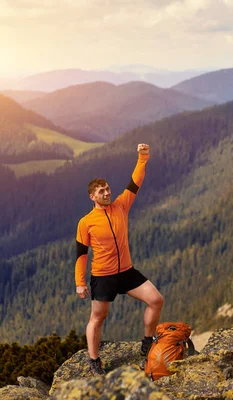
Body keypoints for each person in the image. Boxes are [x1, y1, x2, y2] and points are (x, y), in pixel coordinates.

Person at [74, 143, 164, 376]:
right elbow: (81, 254)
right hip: (103, 276)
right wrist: (80, 282)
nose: (106, 193)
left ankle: (147, 341)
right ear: (92, 196)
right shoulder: (86, 222)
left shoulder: (121, 205)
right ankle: (93, 360)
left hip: (126, 272)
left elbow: (136, 181)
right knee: (98, 318)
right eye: (101, 191)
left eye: (107, 189)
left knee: (156, 299)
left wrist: (143, 157)